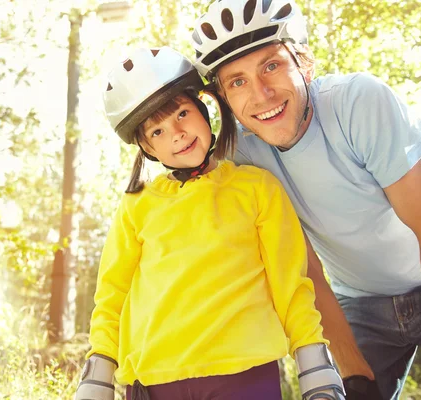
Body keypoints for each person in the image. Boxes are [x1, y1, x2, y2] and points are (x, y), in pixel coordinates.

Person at [189, 0, 421, 399]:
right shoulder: (243, 158)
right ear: (224, 100)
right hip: (359, 303)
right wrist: (353, 373)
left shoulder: (358, 103)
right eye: (237, 82)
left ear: (303, 62)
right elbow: (304, 268)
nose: (262, 94)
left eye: (271, 66)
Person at [74, 46, 346, 400]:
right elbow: (113, 294)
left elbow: (290, 284)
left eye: (183, 113)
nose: (176, 133)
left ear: (205, 110)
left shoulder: (257, 188)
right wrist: (99, 368)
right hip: (155, 379)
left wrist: (313, 360)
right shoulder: (136, 206)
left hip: (245, 373)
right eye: (156, 132)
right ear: (147, 149)